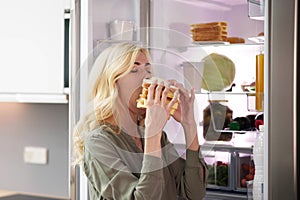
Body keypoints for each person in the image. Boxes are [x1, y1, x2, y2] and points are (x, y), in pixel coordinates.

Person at [73, 42, 207, 200]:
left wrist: (189, 124)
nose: (147, 77)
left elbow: (194, 192)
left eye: (148, 70)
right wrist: (153, 134)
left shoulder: (154, 137)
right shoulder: (98, 142)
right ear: (112, 83)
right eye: (134, 70)